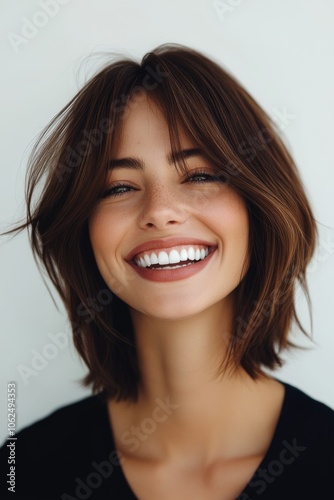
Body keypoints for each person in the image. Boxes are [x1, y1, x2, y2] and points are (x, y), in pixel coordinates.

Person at [0, 43, 333, 500]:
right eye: (118, 186)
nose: (160, 212)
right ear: (84, 230)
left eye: (199, 176)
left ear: (260, 208)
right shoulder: (22, 472)